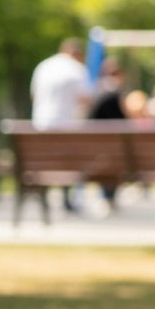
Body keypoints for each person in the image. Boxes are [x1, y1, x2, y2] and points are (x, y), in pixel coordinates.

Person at [30, 37, 92, 212]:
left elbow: (34, 96)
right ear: (77, 54)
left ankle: (44, 197)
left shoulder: (43, 67)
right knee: (69, 161)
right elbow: (86, 99)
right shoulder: (77, 70)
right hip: (67, 125)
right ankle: (66, 198)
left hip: (41, 125)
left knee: (46, 161)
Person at [88, 57, 129, 210]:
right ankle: (110, 197)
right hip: (112, 143)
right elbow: (122, 120)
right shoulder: (115, 92)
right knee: (117, 160)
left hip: (96, 143)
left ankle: (107, 196)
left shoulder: (95, 90)